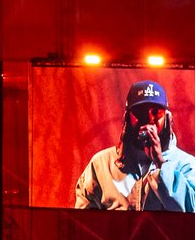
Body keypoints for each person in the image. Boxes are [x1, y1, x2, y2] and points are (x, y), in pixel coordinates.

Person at [75, 80, 195, 211]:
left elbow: (190, 213)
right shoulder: (101, 164)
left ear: (167, 119)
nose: (149, 119)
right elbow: (82, 222)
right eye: (140, 112)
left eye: (156, 112)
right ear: (127, 118)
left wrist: (161, 164)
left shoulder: (187, 165)